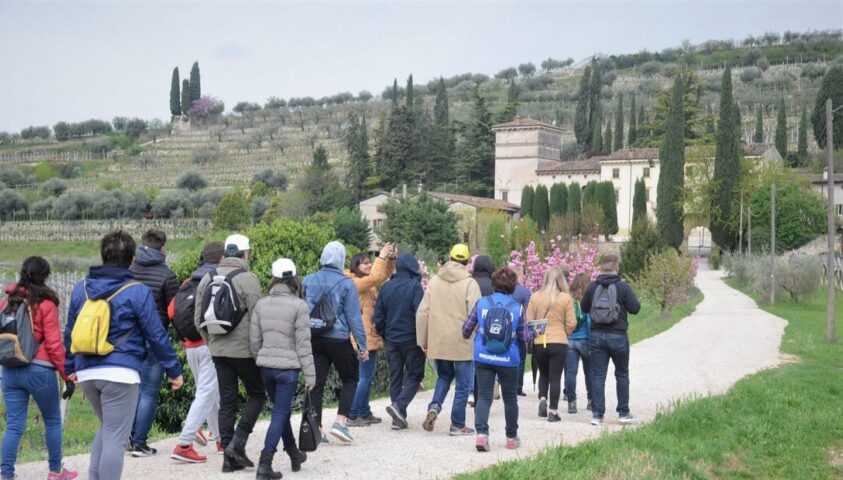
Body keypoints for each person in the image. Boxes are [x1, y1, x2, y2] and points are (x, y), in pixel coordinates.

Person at [64, 230, 183, 480]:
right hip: (120, 373)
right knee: (116, 436)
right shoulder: (137, 291)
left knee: (108, 428)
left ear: (103, 255)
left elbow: (69, 332)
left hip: (86, 371)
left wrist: (69, 367)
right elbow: (156, 334)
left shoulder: (81, 288)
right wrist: (174, 369)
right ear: (132, 259)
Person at [1, 257, 77, 480]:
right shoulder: (46, 303)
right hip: (39, 369)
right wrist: (67, 375)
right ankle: (55, 471)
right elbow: (53, 345)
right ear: (45, 275)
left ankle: (6, 473)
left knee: (14, 424)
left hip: (10, 368)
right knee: (52, 420)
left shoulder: (7, 301)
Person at [194, 233, 264, 472]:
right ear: (245, 254)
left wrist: (211, 343)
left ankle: (228, 458)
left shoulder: (207, 278)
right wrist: (257, 350)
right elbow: (258, 319)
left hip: (218, 351)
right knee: (258, 394)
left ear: (225, 254)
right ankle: (237, 444)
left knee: (227, 401)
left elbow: (198, 319)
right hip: (244, 351)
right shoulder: (248, 279)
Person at [250, 258, 314, 479]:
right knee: (280, 413)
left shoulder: (261, 304)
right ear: (294, 278)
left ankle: (294, 454)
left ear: (274, 278)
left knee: (281, 411)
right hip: (288, 369)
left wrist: (262, 358)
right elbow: (303, 344)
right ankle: (265, 463)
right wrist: (310, 375)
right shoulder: (299, 305)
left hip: (266, 367)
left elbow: (254, 341)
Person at [462, 267, 533, 452]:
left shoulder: (482, 303)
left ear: (493, 284)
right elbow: (524, 336)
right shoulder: (517, 307)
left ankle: (481, 435)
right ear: (513, 286)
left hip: (483, 357)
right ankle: (511, 438)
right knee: (510, 399)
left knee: (484, 396)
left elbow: (466, 330)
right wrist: (534, 332)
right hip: (508, 359)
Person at [303, 241, 367, 444]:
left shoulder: (308, 280)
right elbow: (354, 318)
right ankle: (340, 422)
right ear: (341, 259)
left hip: (314, 337)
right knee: (350, 378)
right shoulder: (347, 283)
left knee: (316, 383)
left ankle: (316, 429)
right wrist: (362, 346)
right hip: (338, 339)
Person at [417, 243, 480, 436]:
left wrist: (423, 340)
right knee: (463, 384)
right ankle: (457, 424)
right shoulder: (470, 284)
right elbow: (476, 314)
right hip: (462, 341)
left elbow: (423, 312)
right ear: (467, 261)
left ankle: (434, 407)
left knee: (444, 376)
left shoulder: (435, 281)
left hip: (439, 341)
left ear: (449, 257)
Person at [170, 241, 224, 463]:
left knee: (209, 393)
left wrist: (184, 338)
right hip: (210, 343)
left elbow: (171, 310)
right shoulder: (218, 280)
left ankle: (220, 439)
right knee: (206, 393)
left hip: (191, 345)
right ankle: (184, 444)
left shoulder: (187, 281)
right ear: (222, 259)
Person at [127, 229, 180, 457]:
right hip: (155, 340)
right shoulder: (167, 275)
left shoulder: (128, 271)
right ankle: (139, 442)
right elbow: (174, 311)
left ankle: (128, 438)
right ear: (163, 247)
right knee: (148, 392)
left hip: (128, 338)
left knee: (131, 390)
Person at [581, 254, 641, 426]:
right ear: (617, 267)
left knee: (598, 375)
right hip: (618, 336)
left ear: (601, 267)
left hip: (597, 336)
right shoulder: (623, 287)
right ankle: (623, 412)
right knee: (622, 374)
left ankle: (597, 415)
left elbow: (584, 308)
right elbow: (635, 309)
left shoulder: (593, 287)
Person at [372, 253, 425, 430]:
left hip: (392, 340)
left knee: (395, 377)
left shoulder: (386, 287)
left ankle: (398, 419)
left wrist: (385, 335)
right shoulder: (415, 287)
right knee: (415, 375)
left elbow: (378, 316)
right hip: (411, 339)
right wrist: (423, 338)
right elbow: (420, 314)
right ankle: (399, 406)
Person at [346, 244, 396, 427]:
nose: (368, 265)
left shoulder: (367, 282)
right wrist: (380, 257)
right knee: (364, 377)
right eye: (365, 263)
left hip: (369, 335)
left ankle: (364, 412)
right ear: (356, 266)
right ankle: (352, 415)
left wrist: (391, 259)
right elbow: (376, 276)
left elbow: (382, 275)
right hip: (362, 338)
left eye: (369, 262)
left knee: (367, 376)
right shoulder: (354, 283)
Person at [525, 265, 576, 422]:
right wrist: (565, 332)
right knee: (555, 377)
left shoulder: (535, 297)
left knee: (544, 373)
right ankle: (553, 411)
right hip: (559, 341)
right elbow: (572, 323)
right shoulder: (565, 298)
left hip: (540, 341)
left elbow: (528, 320)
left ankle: (542, 399)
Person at [565, 272, 593, 414]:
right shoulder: (588, 300)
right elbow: (589, 322)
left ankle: (571, 402)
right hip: (585, 340)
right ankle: (591, 400)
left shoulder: (568, 300)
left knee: (571, 372)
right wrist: (592, 340)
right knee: (589, 372)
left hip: (570, 339)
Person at [470, 256, 495, 404]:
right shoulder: (493, 285)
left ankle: (470, 391)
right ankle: (484, 391)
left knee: (471, 360)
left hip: (471, 324)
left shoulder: (470, 282)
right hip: (488, 327)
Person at [511, 269, 531, 397]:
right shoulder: (524, 292)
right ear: (519, 277)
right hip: (519, 329)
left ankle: (499, 382)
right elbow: (528, 312)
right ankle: (518, 387)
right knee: (521, 359)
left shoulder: (503, 290)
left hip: (505, 329)